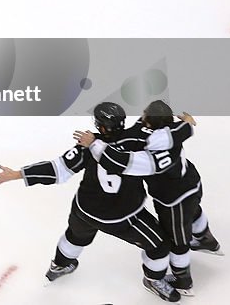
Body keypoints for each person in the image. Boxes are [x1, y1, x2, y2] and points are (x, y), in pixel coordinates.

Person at [0, 102, 181, 302]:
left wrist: (18, 174)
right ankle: (153, 279)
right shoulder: (136, 141)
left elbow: (58, 170)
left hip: (84, 211)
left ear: (101, 125)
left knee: (74, 236)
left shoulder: (87, 145)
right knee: (159, 246)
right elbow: (155, 143)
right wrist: (181, 125)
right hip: (122, 218)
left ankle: (60, 265)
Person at [75, 101, 221, 296]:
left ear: (149, 123)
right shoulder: (172, 131)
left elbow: (120, 162)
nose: (140, 117)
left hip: (173, 199)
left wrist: (94, 143)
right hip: (192, 183)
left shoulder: (147, 143)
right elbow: (185, 128)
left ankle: (183, 280)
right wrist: (187, 122)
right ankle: (205, 239)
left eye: (144, 115)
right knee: (194, 212)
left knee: (178, 241)